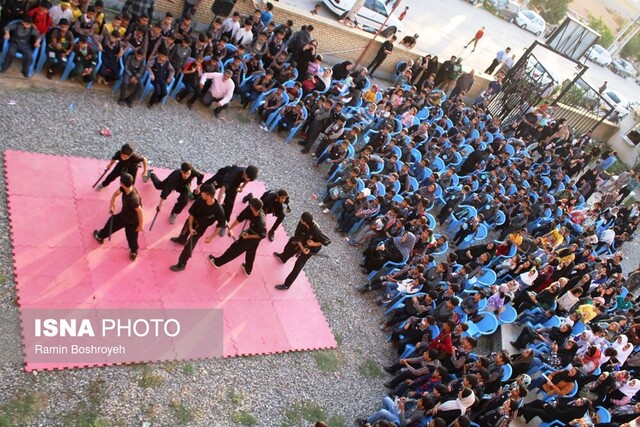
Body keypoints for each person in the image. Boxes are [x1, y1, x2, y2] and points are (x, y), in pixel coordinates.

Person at [169, 184, 227, 271]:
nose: (201, 194)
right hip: (192, 220)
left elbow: (221, 225)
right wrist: (191, 227)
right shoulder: (200, 200)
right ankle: (181, 240)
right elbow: (191, 214)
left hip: (201, 227)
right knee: (184, 231)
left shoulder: (218, 210)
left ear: (208, 195)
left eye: (203, 193)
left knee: (189, 246)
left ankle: (181, 265)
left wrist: (211, 237)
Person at [209, 197, 266, 276]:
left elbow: (262, 236)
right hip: (252, 230)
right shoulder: (250, 209)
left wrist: (248, 236)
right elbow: (240, 218)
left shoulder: (261, 223)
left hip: (255, 236)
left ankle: (218, 263)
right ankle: (248, 269)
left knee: (234, 249)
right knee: (251, 252)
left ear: (252, 207)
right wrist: (230, 229)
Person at [93, 172, 144, 261]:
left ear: (122, 183)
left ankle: (100, 236)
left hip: (126, 218)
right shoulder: (127, 188)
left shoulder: (132, 198)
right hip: (133, 220)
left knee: (111, 223)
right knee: (132, 236)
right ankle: (134, 251)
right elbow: (115, 194)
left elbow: (140, 211)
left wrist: (141, 226)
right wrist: (112, 206)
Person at [273, 211, 330, 290]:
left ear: (305, 221)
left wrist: (313, 244)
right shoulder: (301, 224)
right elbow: (297, 237)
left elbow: (326, 241)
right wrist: (302, 248)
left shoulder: (316, 231)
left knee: (298, 265)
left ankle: (287, 285)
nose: (300, 220)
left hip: (311, 249)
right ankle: (283, 258)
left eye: (301, 219)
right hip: (303, 241)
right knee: (291, 242)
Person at [202, 164, 259, 235]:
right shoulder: (235, 172)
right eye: (246, 176)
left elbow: (247, 180)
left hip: (234, 185)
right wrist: (219, 204)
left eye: (249, 178)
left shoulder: (249, 176)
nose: (247, 179)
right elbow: (223, 187)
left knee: (229, 205)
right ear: (245, 171)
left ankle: (223, 224)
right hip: (223, 177)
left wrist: (242, 186)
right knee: (207, 188)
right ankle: (197, 193)